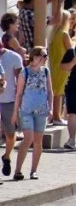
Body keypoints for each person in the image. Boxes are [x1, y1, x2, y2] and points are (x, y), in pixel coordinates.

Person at [12, 46, 50, 181]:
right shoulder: (24, 72)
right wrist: (15, 113)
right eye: (43, 56)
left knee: (38, 141)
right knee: (28, 138)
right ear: (35, 57)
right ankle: (18, 170)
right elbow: (19, 93)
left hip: (41, 110)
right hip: (26, 110)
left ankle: (34, 171)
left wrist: (50, 108)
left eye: (46, 56)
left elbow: (49, 91)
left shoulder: (46, 71)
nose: (45, 59)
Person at [0, 39, 23, 172]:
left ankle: (7, 156)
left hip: (9, 101)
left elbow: (20, 79)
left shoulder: (13, 57)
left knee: (10, 134)